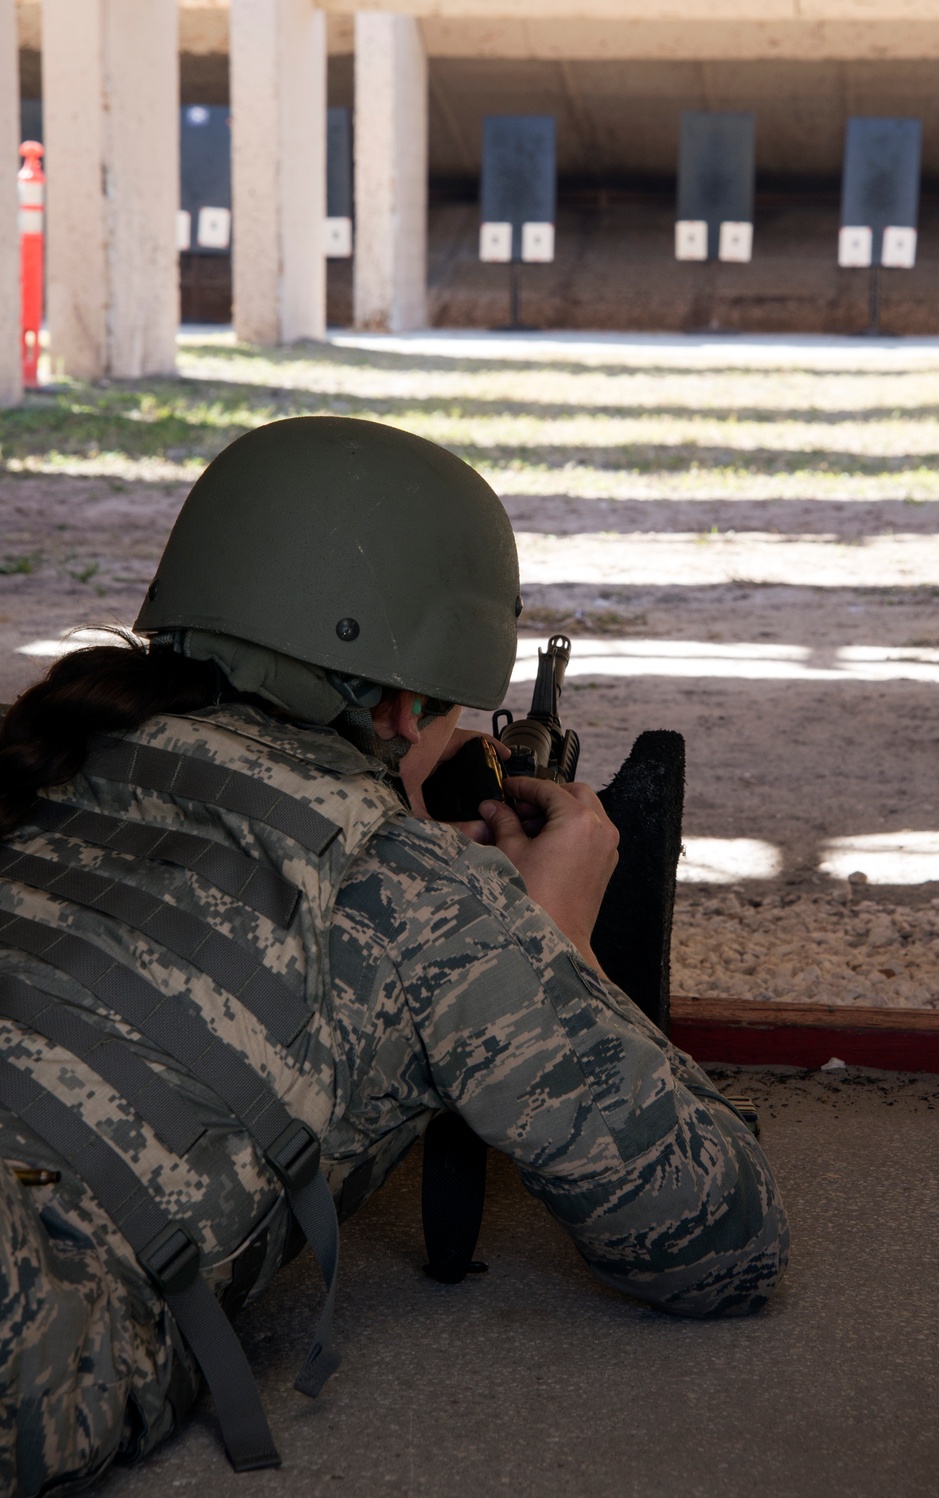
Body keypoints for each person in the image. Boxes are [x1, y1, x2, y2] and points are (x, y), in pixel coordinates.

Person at [0, 417, 789, 1495]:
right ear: (406, 703)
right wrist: (557, 948)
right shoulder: (421, 898)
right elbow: (723, 1242)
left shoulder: (41, 751)